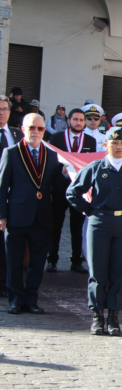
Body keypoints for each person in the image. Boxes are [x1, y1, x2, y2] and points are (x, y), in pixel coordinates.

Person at [66, 128, 122, 336]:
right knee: (98, 272)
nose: (118, 147)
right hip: (99, 223)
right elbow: (73, 192)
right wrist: (89, 211)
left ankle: (113, 318)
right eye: (114, 143)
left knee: (118, 271)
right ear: (106, 144)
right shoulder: (96, 167)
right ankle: (97, 316)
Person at [0, 113, 69, 314]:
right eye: (31, 128)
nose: (35, 132)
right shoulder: (11, 153)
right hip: (17, 216)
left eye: (39, 129)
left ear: (44, 131)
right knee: (14, 261)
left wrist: (64, 176)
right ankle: (15, 300)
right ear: (23, 129)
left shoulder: (51, 155)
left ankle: (31, 299)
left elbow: (55, 187)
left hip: (42, 216)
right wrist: (1, 216)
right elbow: (2, 187)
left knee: (37, 263)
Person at [48, 108, 97, 274]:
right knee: (56, 225)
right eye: (75, 119)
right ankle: (52, 260)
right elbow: (51, 163)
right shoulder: (56, 138)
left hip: (80, 191)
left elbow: (91, 165)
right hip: (60, 188)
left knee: (77, 227)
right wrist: (59, 175)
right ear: (68, 121)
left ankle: (76, 261)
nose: (78, 123)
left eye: (81, 120)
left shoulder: (90, 141)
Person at [0, 95, 24, 298]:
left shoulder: (17, 134)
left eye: (5, 109)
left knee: (8, 244)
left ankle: (4, 283)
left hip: (12, 196)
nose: (1, 112)